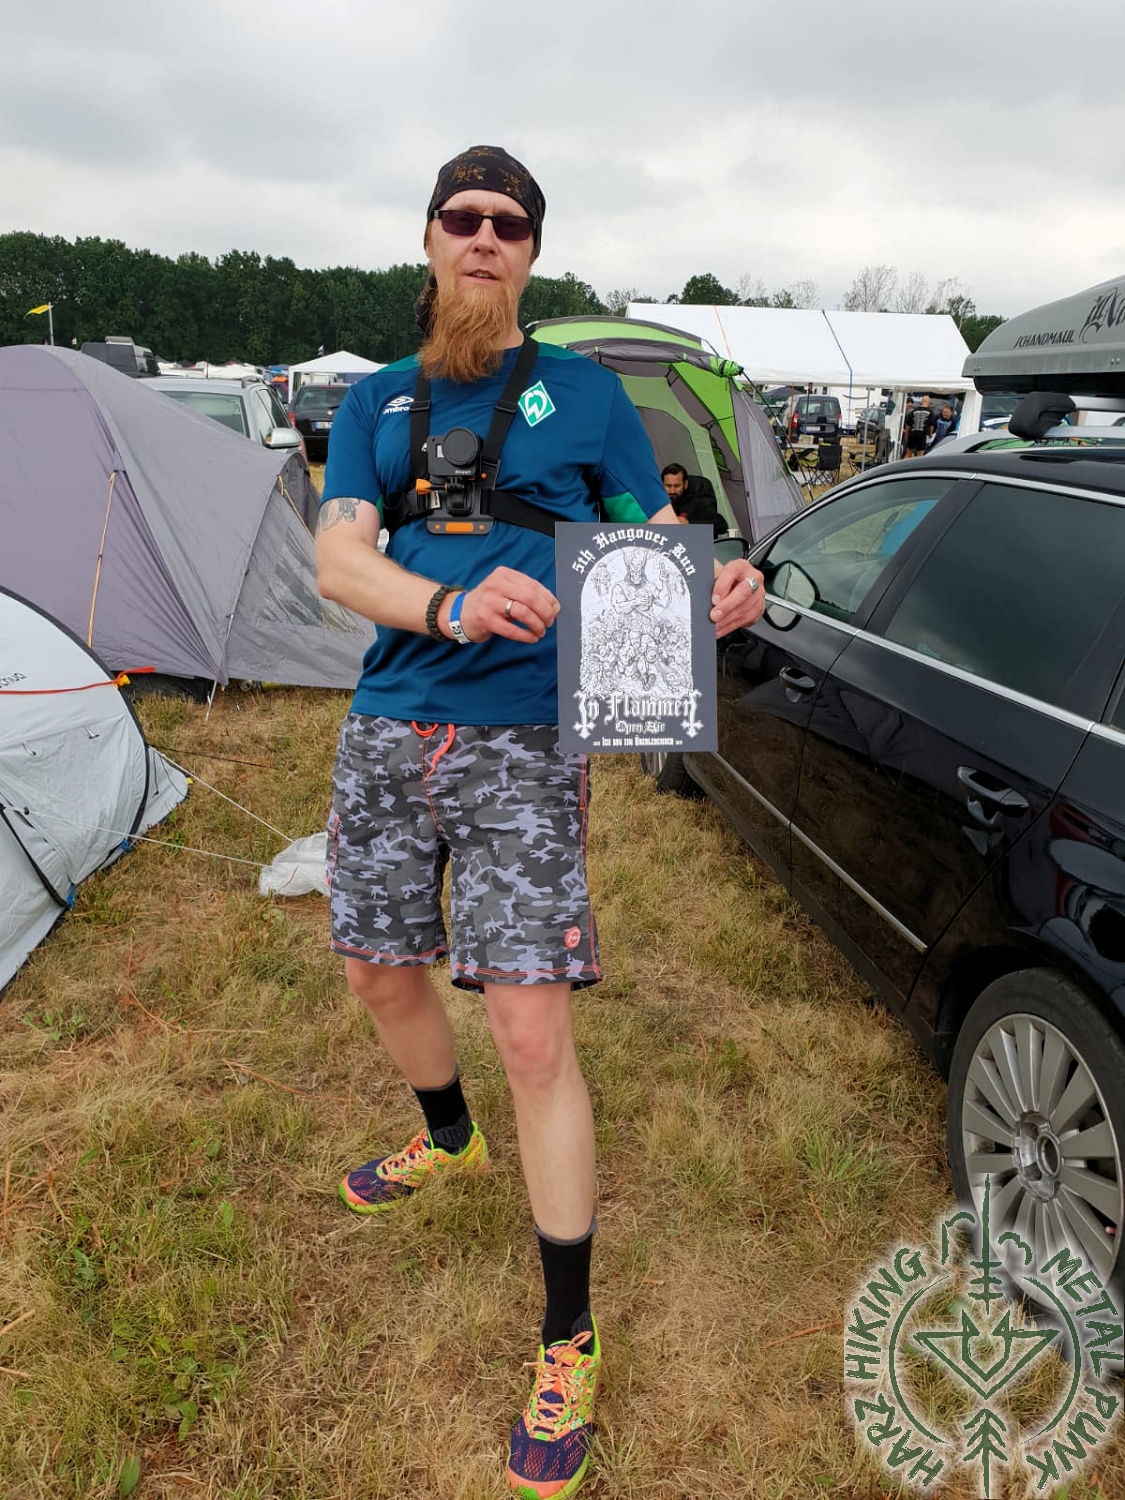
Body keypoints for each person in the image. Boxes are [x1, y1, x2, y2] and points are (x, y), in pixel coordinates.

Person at [315, 144, 766, 1499]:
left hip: (524, 738)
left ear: (529, 254)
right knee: (376, 969)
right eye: (462, 218)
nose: (483, 239)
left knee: (529, 1027)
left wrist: (714, 590)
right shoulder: (376, 401)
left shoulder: (590, 397)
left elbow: (650, 541)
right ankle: (446, 1136)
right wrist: (447, 605)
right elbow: (339, 558)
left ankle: (568, 1334)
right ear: (429, 239)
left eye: (508, 225)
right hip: (389, 725)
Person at [659, 462, 727, 536]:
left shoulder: (698, 499)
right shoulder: (657, 500)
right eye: (668, 486)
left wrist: (689, 523)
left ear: (685, 484)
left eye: (677, 486)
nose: (672, 491)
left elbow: (721, 525)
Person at [905, 394, 935, 458]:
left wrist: (907, 436)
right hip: (922, 435)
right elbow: (931, 426)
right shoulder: (930, 412)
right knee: (920, 455)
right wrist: (930, 435)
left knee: (908, 454)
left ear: (921, 401)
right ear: (928, 402)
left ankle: (903, 464)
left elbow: (908, 425)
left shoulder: (914, 411)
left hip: (912, 435)